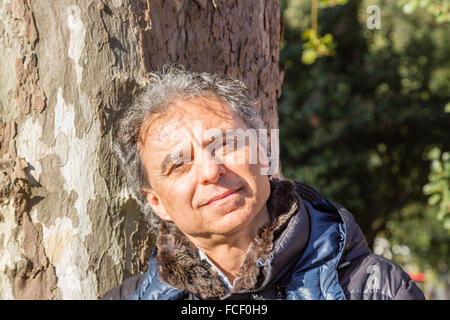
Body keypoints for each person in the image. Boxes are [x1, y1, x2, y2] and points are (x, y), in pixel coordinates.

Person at [102, 65, 425, 300]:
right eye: (179, 164)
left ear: (264, 152)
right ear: (156, 202)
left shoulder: (376, 289)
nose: (211, 171)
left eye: (225, 144)